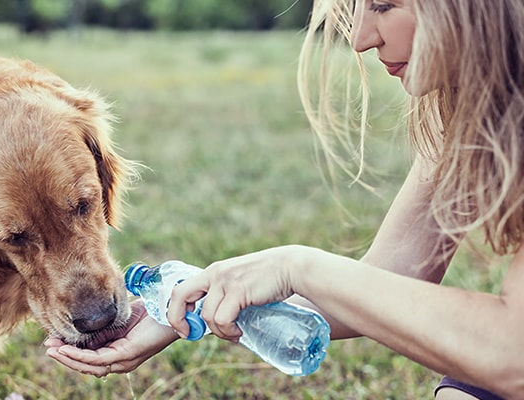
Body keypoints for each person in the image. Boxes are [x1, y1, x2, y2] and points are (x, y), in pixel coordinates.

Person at [45, 1, 524, 398]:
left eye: (384, 5)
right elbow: (389, 282)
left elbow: (511, 356)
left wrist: (299, 265)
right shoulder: (464, 108)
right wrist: (185, 308)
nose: (360, 38)